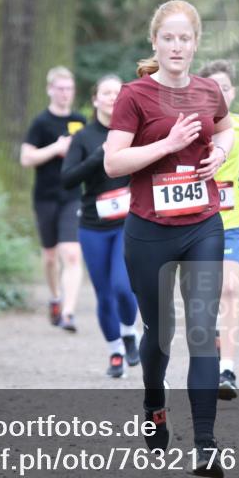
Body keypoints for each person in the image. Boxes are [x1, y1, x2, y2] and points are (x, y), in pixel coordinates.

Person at [104, 0, 234, 478]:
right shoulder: (133, 95)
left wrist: (218, 155)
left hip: (202, 222)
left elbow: (224, 133)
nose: (177, 46)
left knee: (203, 329)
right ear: (154, 43)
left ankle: (205, 444)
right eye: (169, 38)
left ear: (196, 44)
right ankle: (154, 402)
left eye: (185, 38)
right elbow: (113, 163)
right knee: (160, 333)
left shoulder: (208, 92)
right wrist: (168, 145)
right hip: (149, 230)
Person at [61, 74, 141, 378]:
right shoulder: (83, 138)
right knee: (104, 293)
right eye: (105, 93)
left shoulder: (135, 131)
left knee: (123, 286)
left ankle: (128, 331)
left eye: (117, 93)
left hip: (128, 222)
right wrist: (98, 157)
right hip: (93, 225)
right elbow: (67, 179)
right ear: (95, 100)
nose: (111, 97)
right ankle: (115, 352)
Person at [197, 60, 239, 400]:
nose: (219, 93)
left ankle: (227, 368)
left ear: (233, 91)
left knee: (231, 290)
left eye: (224, 87)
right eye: (212, 88)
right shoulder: (192, 127)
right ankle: (209, 350)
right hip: (196, 220)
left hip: (231, 219)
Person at [20, 66, 86, 332]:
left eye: (69, 88)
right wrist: (56, 148)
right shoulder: (41, 122)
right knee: (49, 257)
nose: (64, 94)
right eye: (60, 88)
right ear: (50, 90)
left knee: (71, 253)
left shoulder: (81, 121)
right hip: (45, 196)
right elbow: (26, 158)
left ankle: (68, 313)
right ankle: (55, 297)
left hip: (73, 196)